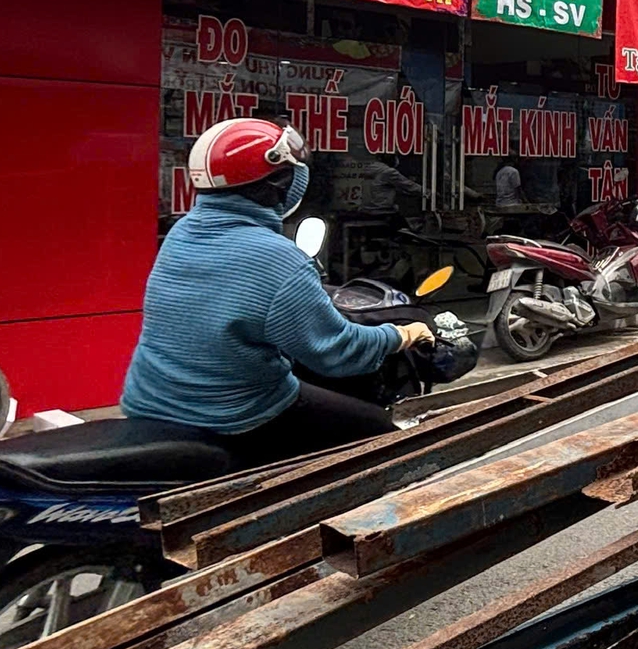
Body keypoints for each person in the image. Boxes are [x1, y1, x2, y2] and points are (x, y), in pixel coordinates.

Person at [122, 119, 435, 461]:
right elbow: (336, 352)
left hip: (149, 397)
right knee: (383, 436)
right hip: (231, 412)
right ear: (279, 182)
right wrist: (401, 334)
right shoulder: (278, 258)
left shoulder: (183, 231)